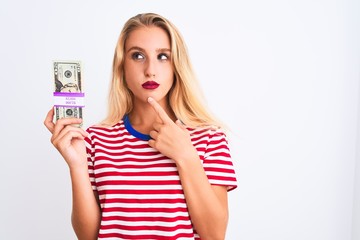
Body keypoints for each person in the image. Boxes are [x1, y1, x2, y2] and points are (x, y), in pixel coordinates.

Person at [44, 12, 237, 240]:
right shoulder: (95, 139)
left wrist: (186, 156)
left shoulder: (209, 139)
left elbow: (215, 235)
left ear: (177, 66)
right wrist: (77, 166)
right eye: (137, 55)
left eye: (163, 56)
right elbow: (89, 236)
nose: (150, 70)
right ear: (122, 67)